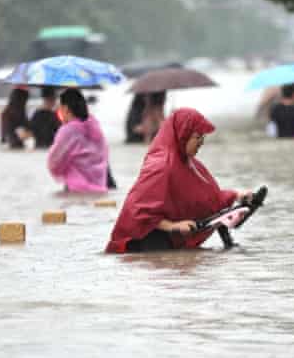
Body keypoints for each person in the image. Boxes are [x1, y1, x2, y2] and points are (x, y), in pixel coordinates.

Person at [106, 108, 252, 253]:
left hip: (171, 242)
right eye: (197, 137)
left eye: (203, 137)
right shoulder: (161, 165)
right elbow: (139, 212)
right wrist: (172, 226)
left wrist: (236, 195)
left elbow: (206, 198)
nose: (201, 142)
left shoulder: (190, 164)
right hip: (146, 243)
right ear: (183, 134)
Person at [47, 89, 110, 193]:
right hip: (100, 188)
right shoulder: (95, 126)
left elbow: (54, 161)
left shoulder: (68, 130)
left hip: (76, 189)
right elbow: (104, 155)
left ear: (65, 108)